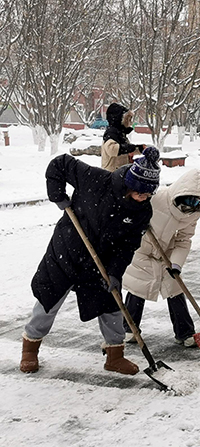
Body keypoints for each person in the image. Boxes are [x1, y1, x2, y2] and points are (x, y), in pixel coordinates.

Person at [20, 147, 160, 376]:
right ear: (129, 186)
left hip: (100, 263)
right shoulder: (96, 179)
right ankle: (30, 348)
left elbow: (127, 246)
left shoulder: (142, 212)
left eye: (148, 195)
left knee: (111, 303)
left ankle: (115, 356)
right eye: (140, 193)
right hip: (67, 251)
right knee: (49, 301)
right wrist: (57, 195)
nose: (143, 198)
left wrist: (115, 272)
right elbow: (60, 163)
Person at [122, 169, 200, 347]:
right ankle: (128, 328)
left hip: (167, 253)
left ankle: (185, 332)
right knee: (138, 288)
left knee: (175, 288)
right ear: (181, 192)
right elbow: (131, 209)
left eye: (198, 201)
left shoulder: (194, 212)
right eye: (189, 199)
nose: (192, 205)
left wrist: (176, 263)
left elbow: (184, 239)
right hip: (140, 249)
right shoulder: (157, 199)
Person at [101, 102, 143, 171]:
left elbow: (125, 149)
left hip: (120, 175)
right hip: (111, 176)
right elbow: (113, 150)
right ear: (119, 119)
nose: (129, 122)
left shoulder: (120, 134)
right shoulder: (111, 134)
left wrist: (140, 149)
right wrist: (131, 148)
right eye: (127, 119)